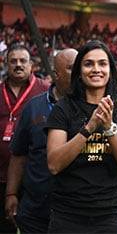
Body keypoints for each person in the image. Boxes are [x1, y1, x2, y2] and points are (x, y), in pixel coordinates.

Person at [46, 40, 117, 233]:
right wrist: (89, 128)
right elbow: (54, 165)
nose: (96, 69)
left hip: (108, 216)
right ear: (79, 71)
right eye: (88, 64)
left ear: (111, 70)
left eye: (102, 64)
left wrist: (109, 128)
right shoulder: (63, 109)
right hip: (67, 215)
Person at [5, 49, 77, 234]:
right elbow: (19, 154)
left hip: (76, 211)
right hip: (36, 209)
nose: (78, 73)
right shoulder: (34, 106)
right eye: (71, 68)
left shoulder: (93, 108)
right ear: (56, 74)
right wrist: (11, 193)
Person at [0, 45, 48, 234]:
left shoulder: (44, 91)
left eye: (23, 61)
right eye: (13, 61)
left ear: (32, 65)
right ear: (5, 64)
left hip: (31, 178)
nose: (18, 65)